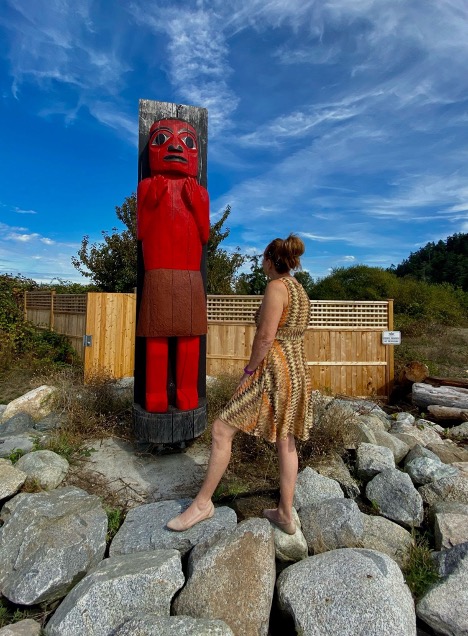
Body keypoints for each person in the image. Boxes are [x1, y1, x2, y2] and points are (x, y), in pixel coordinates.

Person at [167, 234, 313, 534]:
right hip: (297, 371)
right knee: (286, 440)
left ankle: (203, 504)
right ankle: (285, 513)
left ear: (270, 261)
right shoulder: (299, 290)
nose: (261, 263)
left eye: (263, 258)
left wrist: (247, 372)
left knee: (221, 430)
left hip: (273, 369)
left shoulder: (275, 288)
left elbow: (265, 338)